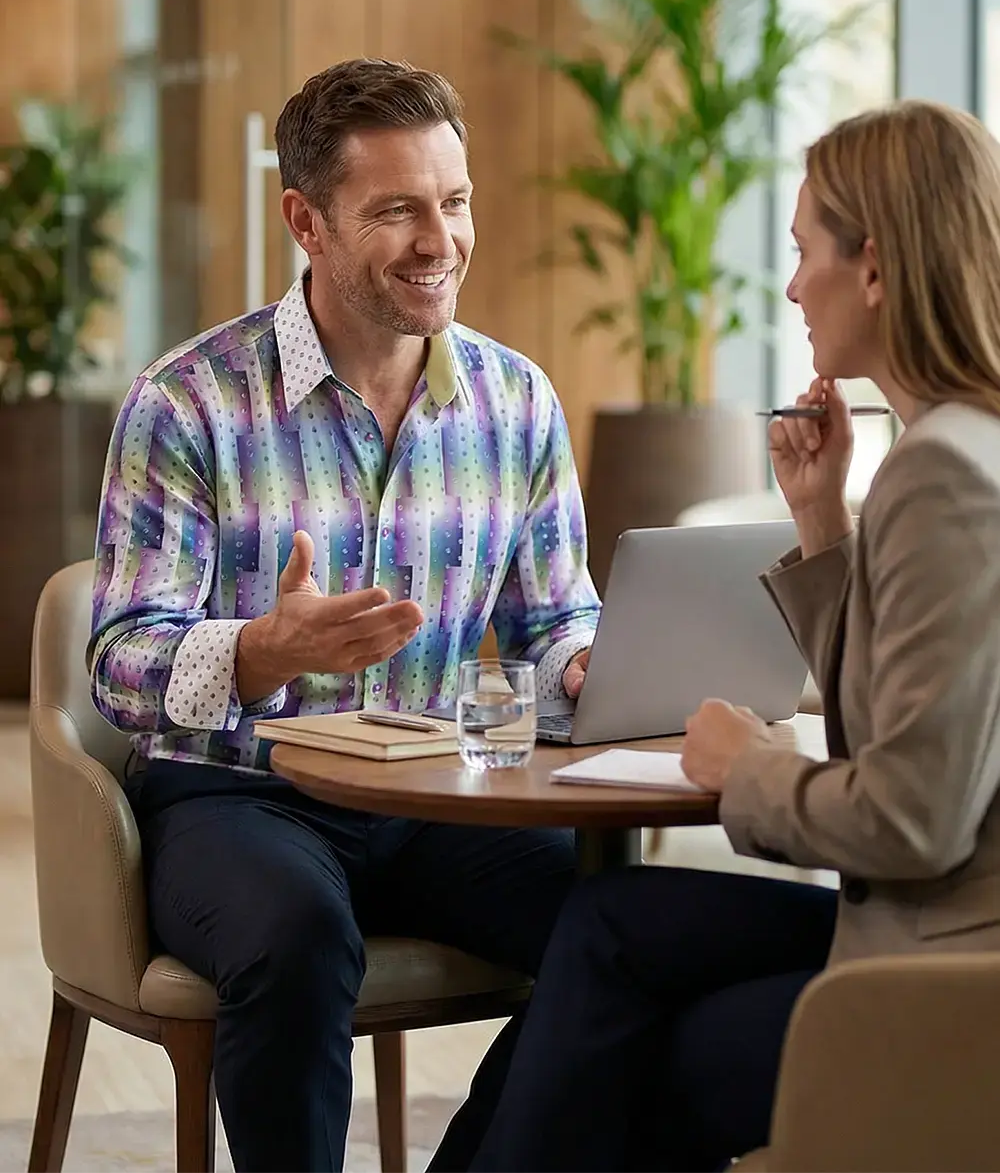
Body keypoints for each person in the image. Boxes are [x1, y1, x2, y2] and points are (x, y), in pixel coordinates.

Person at [461, 99, 1000, 1173]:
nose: (792, 282)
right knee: (605, 928)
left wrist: (747, 766)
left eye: (805, 251)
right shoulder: (959, 447)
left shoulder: (943, 476)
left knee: (603, 1051)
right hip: (924, 935)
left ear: (878, 268)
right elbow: (906, 704)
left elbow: (913, 815)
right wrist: (819, 521)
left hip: (941, 983)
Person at [89, 58, 600, 1173]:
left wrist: (581, 662)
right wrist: (259, 651)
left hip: (438, 793)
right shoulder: (188, 399)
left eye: (454, 201)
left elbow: (554, 614)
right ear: (305, 220)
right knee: (298, 933)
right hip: (238, 794)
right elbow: (120, 660)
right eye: (397, 209)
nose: (439, 238)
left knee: (617, 929)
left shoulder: (517, 401)